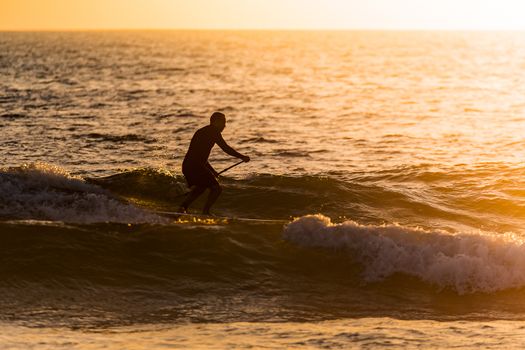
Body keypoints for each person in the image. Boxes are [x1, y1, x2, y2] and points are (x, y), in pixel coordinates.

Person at [179, 112, 250, 214]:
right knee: (217, 189)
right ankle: (205, 212)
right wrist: (242, 157)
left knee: (201, 187)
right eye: (223, 123)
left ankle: (183, 208)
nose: (225, 126)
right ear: (216, 122)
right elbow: (225, 148)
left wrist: (212, 171)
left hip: (188, 166)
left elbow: (200, 157)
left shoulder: (203, 131)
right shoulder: (213, 132)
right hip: (194, 166)